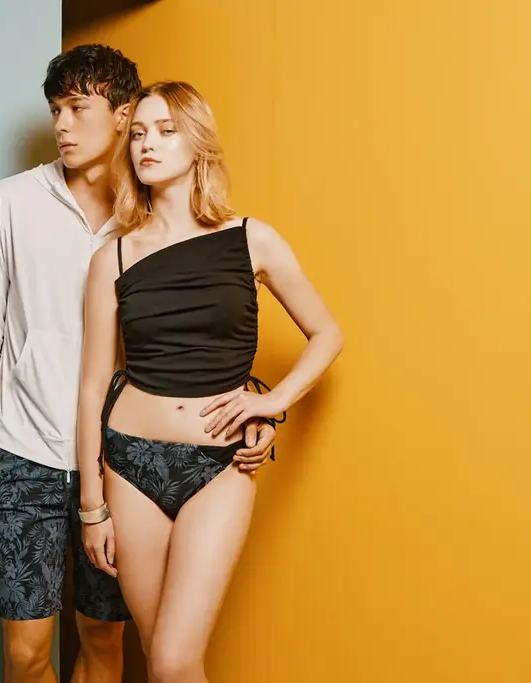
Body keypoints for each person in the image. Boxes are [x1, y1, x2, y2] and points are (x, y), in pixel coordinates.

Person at [0, 49, 279, 683]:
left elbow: (191, 337)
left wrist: (255, 403)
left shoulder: (154, 219)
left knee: (106, 643)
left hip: (120, 462)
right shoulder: (12, 200)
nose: (61, 125)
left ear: (121, 114)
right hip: (24, 454)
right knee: (25, 655)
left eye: (78, 108)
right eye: (55, 110)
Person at [75, 80, 344, 683]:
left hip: (219, 464)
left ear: (197, 142)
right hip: (129, 466)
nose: (147, 144)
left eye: (166, 130)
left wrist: (272, 402)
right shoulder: (111, 257)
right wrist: (92, 508)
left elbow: (326, 333)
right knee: (159, 660)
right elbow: (93, 387)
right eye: (137, 133)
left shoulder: (251, 238)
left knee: (175, 661)